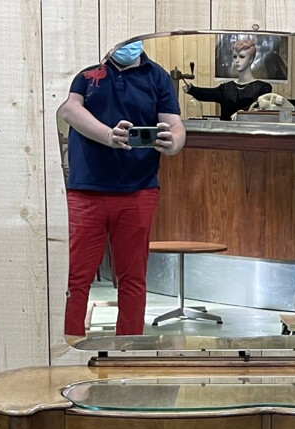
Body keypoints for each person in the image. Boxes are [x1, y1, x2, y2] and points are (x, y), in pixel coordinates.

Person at [58, 40, 186, 339]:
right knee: (75, 276)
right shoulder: (86, 71)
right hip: (85, 189)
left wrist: (173, 143)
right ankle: (69, 343)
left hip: (138, 190)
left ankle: (129, 349)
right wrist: (108, 135)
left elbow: (174, 125)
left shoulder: (158, 77)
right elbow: (69, 109)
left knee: (132, 278)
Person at [183, 38, 272, 121]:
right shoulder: (226, 88)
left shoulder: (263, 88)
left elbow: (259, 108)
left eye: (241, 57)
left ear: (251, 59)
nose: (237, 60)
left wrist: (242, 114)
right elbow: (208, 94)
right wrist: (191, 89)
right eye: (234, 57)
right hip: (226, 134)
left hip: (250, 134)